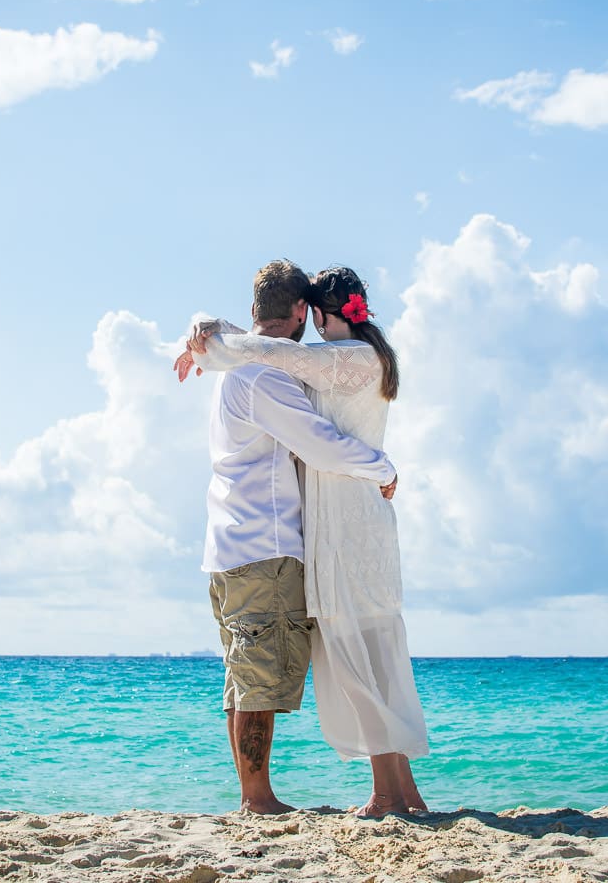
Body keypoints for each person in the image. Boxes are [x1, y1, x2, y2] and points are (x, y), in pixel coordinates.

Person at [177, 266, 429, 817]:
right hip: (293, 533)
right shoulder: (277, 371)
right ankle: (282, 797)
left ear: (315, 313)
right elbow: (320, 440)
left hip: (312, 528)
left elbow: (315, 430)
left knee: (340, 655)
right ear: (302, 314)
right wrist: (200, 333)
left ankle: (387, 791)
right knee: (317, 661)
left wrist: (202, 336)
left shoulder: (307, 365)